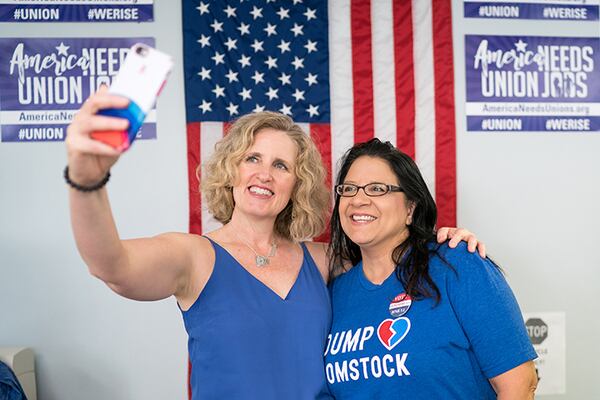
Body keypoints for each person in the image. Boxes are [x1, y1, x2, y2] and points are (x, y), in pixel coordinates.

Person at [65, 90, 481, 399]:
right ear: (231, 171)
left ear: (296, 185)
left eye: (280, 165)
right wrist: (87, 180)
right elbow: (111, 264)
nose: (265, 174)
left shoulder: (324, 259)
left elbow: (392, 257)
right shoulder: (193, 256)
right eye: (253, 159)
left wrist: (442, 241)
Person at [325, 138, 538, 399]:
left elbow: (520, 384)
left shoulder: (458, 265)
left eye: (377, 189)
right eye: (349, 189)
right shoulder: (335, 293)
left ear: (410, 208)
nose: (358, 200)